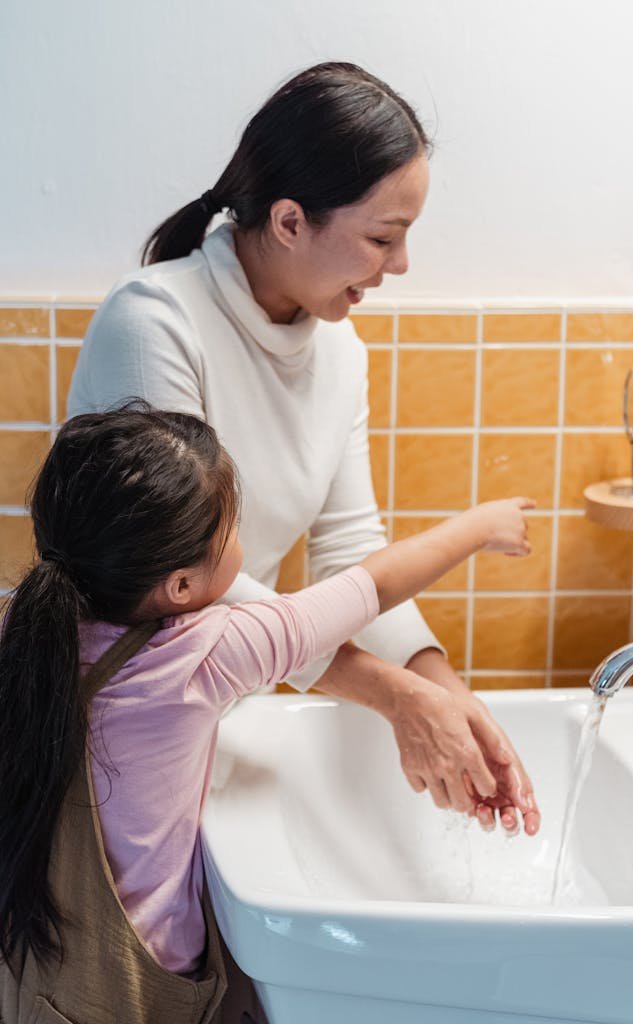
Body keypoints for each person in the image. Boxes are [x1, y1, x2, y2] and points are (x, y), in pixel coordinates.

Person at [67, 60, 541, 835]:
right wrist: (394, 697)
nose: (400, 266)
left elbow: (350, 547)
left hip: (229, 710)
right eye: (382, 237)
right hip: (124, 735)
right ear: (289, 221)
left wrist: (441, 688)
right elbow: (179, 577)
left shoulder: (339, 349)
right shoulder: (154, 322)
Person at [0, 406, 534, 1022]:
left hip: (30, 965)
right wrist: (480, 526)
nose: (240, 543)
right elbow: (373, 587)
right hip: (135, 990)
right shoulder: (203, 654)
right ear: (180, 586)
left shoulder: (20, 627)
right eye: (229, 530)